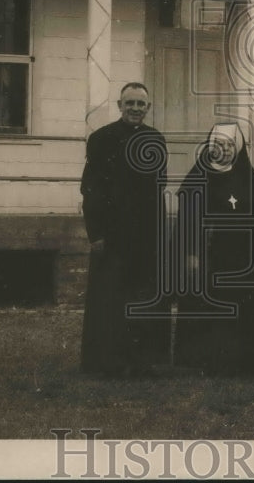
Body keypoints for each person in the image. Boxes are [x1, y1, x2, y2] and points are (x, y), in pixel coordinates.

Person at [79, 82, 169, 377]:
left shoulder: (155, 139)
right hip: (112, 236)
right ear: (120, 106)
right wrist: (96, 234)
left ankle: (143, 361)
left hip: (146, 236)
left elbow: (159, 186)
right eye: (129, 103)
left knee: (143, 298)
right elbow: (90, 189)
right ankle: (107, 363)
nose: (135, 109)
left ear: (148, 108)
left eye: (140, 104)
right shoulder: (102, 139)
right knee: (110, 301)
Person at [173, 122, 254, 374]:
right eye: (218, 144)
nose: (224, 150)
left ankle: (243, 362)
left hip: (243, 257)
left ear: (237, 148)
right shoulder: (197, 177)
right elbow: (187, 221)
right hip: (210, 255)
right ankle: (205, 362)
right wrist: (192, 253)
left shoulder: (248, 176)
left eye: (229, 145)